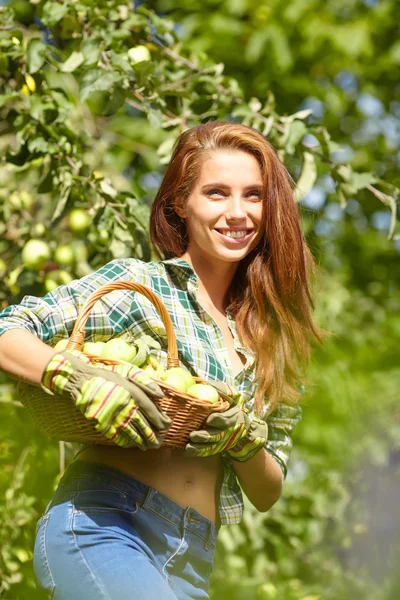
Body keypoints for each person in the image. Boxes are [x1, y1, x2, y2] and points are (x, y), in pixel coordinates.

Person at [0, 121, 322, 600]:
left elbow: (267, 490)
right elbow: (8, 329)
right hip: (107, 524)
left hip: (193, 559)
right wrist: (71, 375)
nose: (238, 212)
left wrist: (244, 440)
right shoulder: (143, 287)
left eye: (253, 195)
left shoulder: (271, 336)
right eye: (216, 193)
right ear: (179, 204)